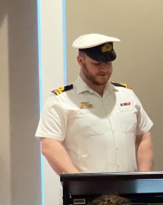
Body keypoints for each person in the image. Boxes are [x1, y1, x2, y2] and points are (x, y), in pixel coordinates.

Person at [35, 33, 154, 174]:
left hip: (129, 190)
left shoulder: (126, 94)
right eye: (96, 64)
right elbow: (50, 145)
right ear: (80, 61)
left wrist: (144, 178)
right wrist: (78, 183)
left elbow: (143, 137)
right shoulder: (61, 100)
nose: (104, 69)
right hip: (87, 192)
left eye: (108, 63)